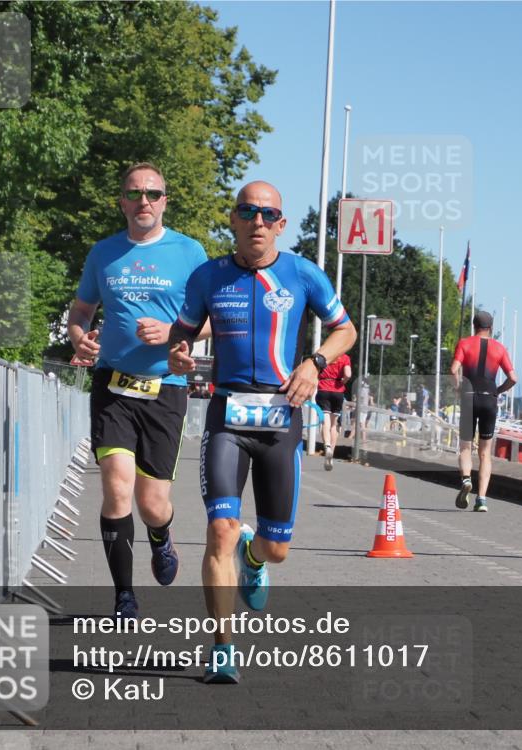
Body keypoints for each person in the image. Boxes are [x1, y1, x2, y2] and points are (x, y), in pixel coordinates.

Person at [168, 180, 356, 684]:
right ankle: (222, 649)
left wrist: (316, 363)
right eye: (248, 211)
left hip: (280, 419)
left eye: (268, 214)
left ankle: (254, 558)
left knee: (277, 549)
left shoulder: (302, 273)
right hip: (226, 418)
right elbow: (183, 331)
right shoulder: (208, 276)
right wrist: (178, 352)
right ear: (233, 218)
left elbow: (346, 329)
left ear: (281, 224)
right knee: (219, 530)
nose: (257, 221)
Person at [67, 162, 210, 619]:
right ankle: (124, 596)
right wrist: (78, 337)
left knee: (152, 504)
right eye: (134, 194)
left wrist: (172, 332)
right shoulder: (104, 253)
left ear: (165, 201)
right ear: (122, 203)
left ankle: (161, 535)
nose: (143, 201)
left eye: (152, 193)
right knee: (116, 488)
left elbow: (212, 318)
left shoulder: (189, 252)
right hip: (112, 384)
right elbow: (81, 310)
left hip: (166, 387)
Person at [450, 310, 517, 512]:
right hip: (489, 399)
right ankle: (481, 500)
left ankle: (466, 479)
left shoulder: (464, 343)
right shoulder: (500, 348)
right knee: (485, 453)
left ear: (474, 326)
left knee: (465, 447)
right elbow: (513, 378)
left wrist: (458, 387)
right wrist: (498, 391)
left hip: (469, 397)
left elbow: (453, 370)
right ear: (491, 328)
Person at [315, 351, 351, 470]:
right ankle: (332, 452)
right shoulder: (345, 357)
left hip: (323, 388)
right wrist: (342, 382)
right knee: (334, 425)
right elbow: (348, 374)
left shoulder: (325, 354)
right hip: (338, 391)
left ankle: (327, 447)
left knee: (325, 421)